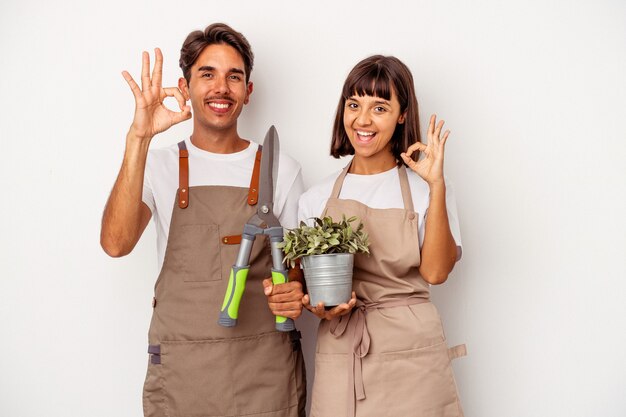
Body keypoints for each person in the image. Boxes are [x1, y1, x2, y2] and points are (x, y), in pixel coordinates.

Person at [100, 23, 306, 417]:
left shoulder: (282, 170)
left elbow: (298, 272)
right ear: (186, 86)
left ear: (248, 91)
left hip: (264, 374)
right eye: (206, 74)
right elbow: (115, 243)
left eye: (234, 76)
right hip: (183, 374)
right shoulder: (157, 165)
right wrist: (138, 138)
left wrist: (294, 291)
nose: (221, 88)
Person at [298, 55, 466, 416]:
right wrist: (318, 307)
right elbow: (310, 288)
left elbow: (436, 272)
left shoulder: (428, 189)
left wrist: (435, 184)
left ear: (402, 114)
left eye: (380, 107)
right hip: (343, 351)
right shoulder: (315, 197)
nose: (362, 120)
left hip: (412, 357)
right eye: (354, 104)